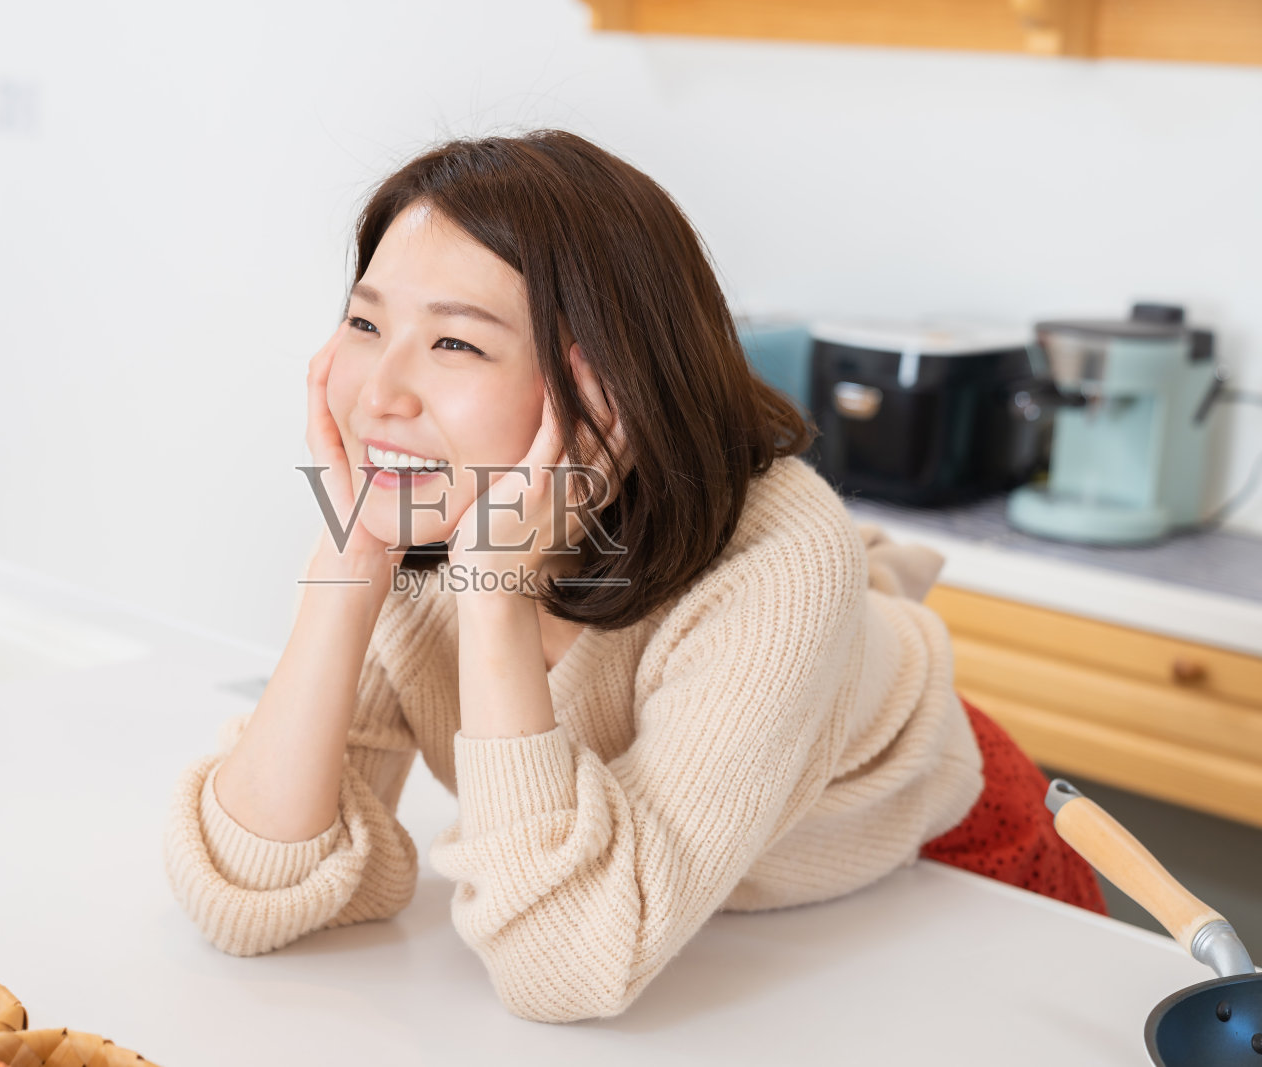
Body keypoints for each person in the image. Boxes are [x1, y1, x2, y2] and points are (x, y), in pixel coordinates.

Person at [163, 129, 1106, 1025]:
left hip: (945, 869)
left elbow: (566, 969)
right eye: (365, 322)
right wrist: (350, 560)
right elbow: (256, 895)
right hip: (726, 924)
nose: (380, 393)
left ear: (604, 386)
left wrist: (494, 591)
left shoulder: (777, 559)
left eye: (456, 343)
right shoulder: (415, 516)